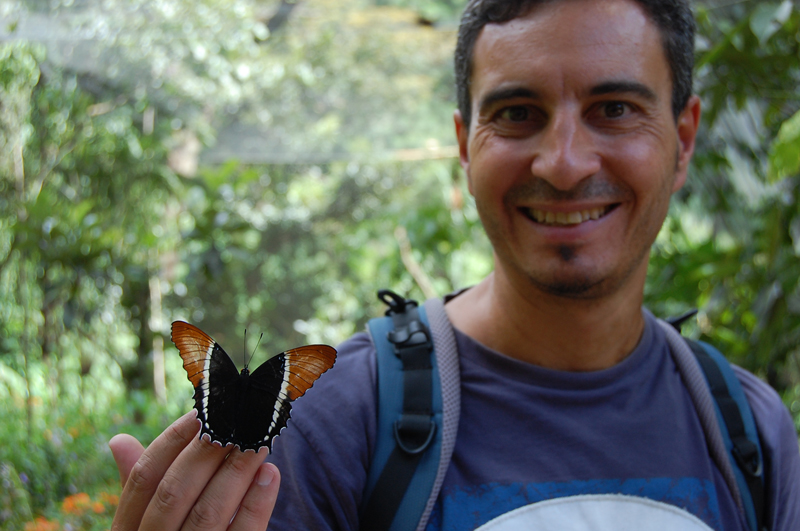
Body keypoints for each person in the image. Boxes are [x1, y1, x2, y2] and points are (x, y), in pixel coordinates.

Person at [109, 0, 800, 529]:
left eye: (614, 109)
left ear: (683, 139)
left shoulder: (750, 433)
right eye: (518, 113)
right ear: (466, 145)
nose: (563, 163)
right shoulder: (339, 424)